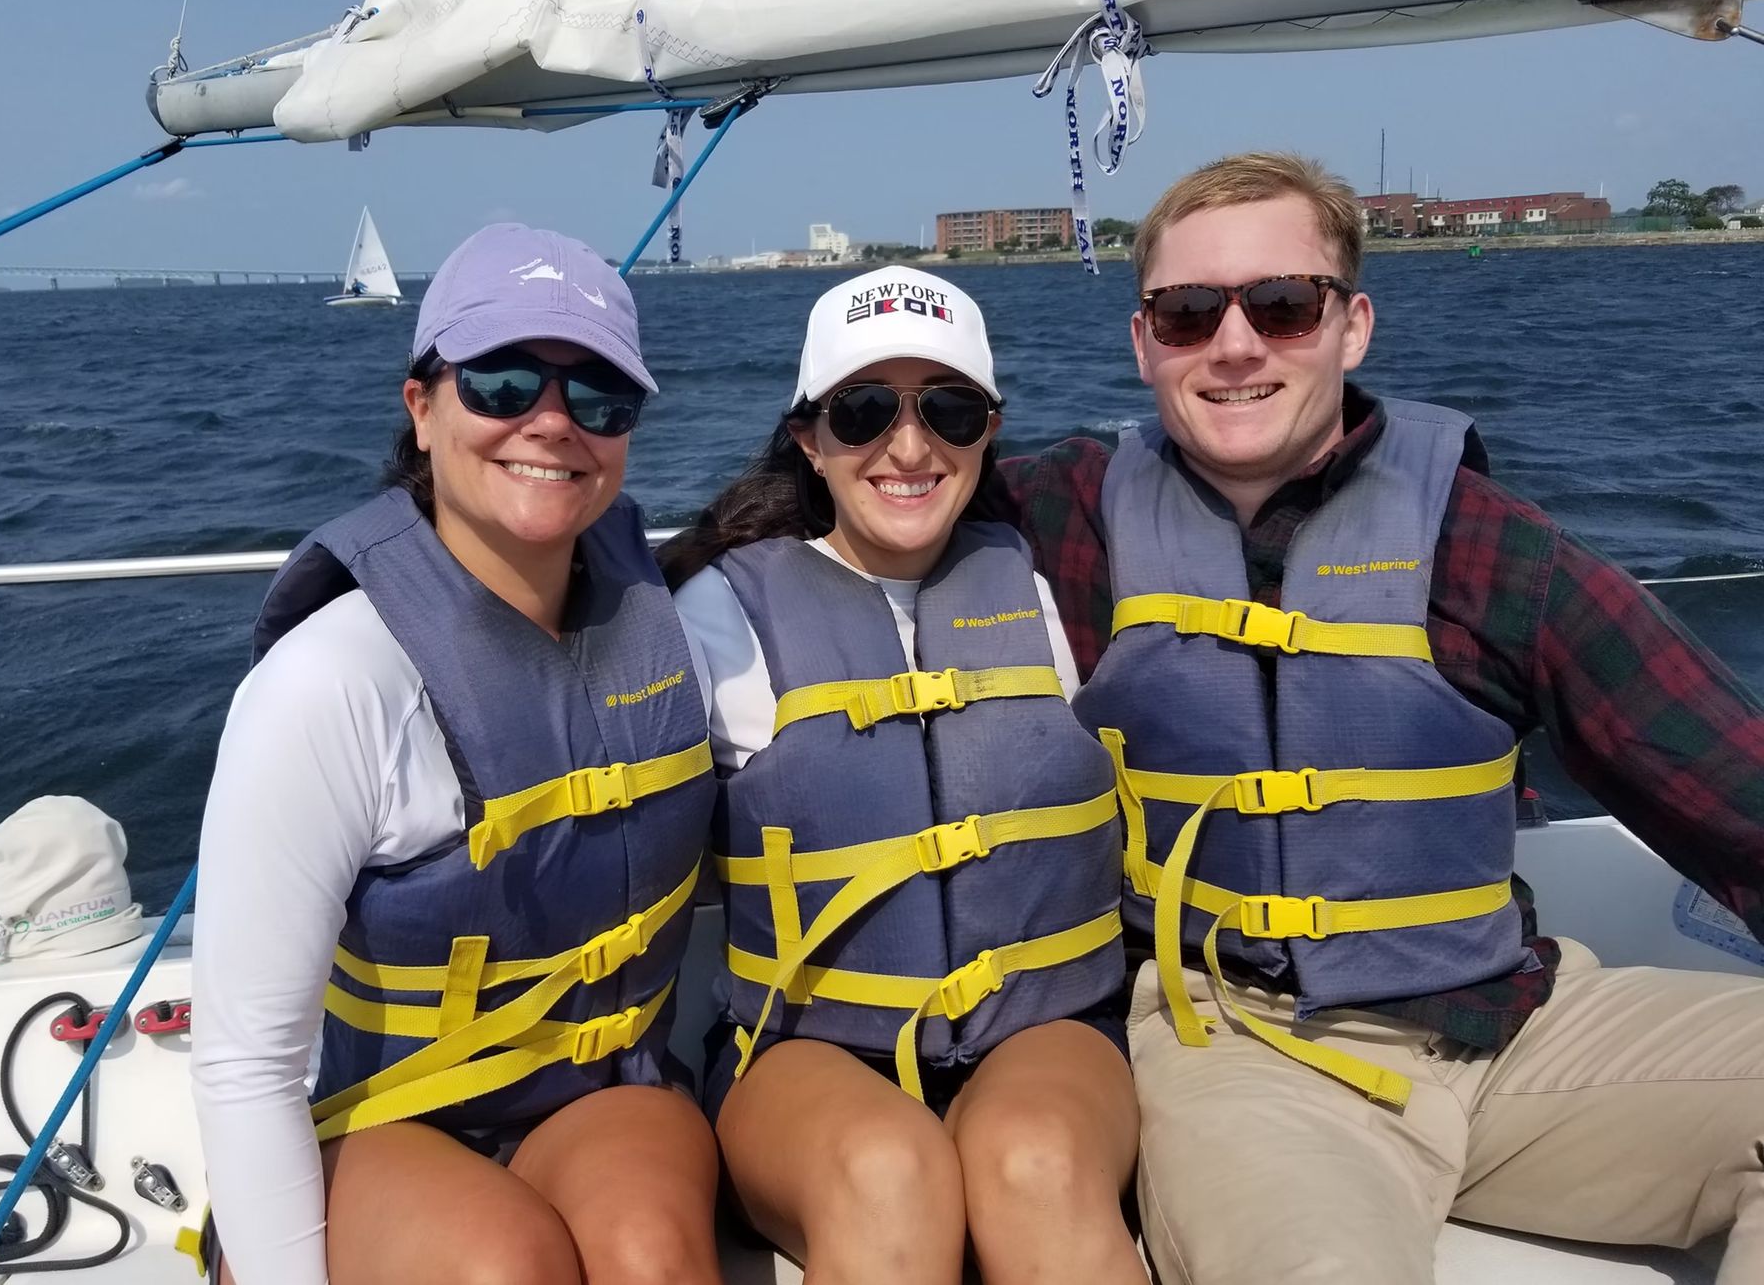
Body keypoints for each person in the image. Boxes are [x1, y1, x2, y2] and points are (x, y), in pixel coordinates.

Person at [1000, 150, 1764, 1284]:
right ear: (1144, 341)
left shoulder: (1484, 544)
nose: (1236, 341)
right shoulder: (1068, 513)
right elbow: (850, 483)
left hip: (1516, 1023)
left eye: (1282, 303)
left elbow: (1727, 780)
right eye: (1188, 310)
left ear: (1352, 324)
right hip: (1247, 1053)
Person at [191, 224, 723, 1285]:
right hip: (385, 1117)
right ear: (422, 405)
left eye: (600, 397)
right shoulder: (330, 683)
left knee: (653, 1256)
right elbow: (246, 1064)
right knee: (501, 1264)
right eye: (504, 381)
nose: (554, 422)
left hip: (597, 1090)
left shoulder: (679, 629)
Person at [661, 266, 1149, 1285]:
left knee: (1040, 1165)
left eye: (950, 408)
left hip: (1047, 1025)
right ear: (809, 435)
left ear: (988, 430)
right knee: (889, 1172)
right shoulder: (713, 617)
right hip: (803, 1049)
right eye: (865, 409)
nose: (912, 444)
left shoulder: (1063, 579)